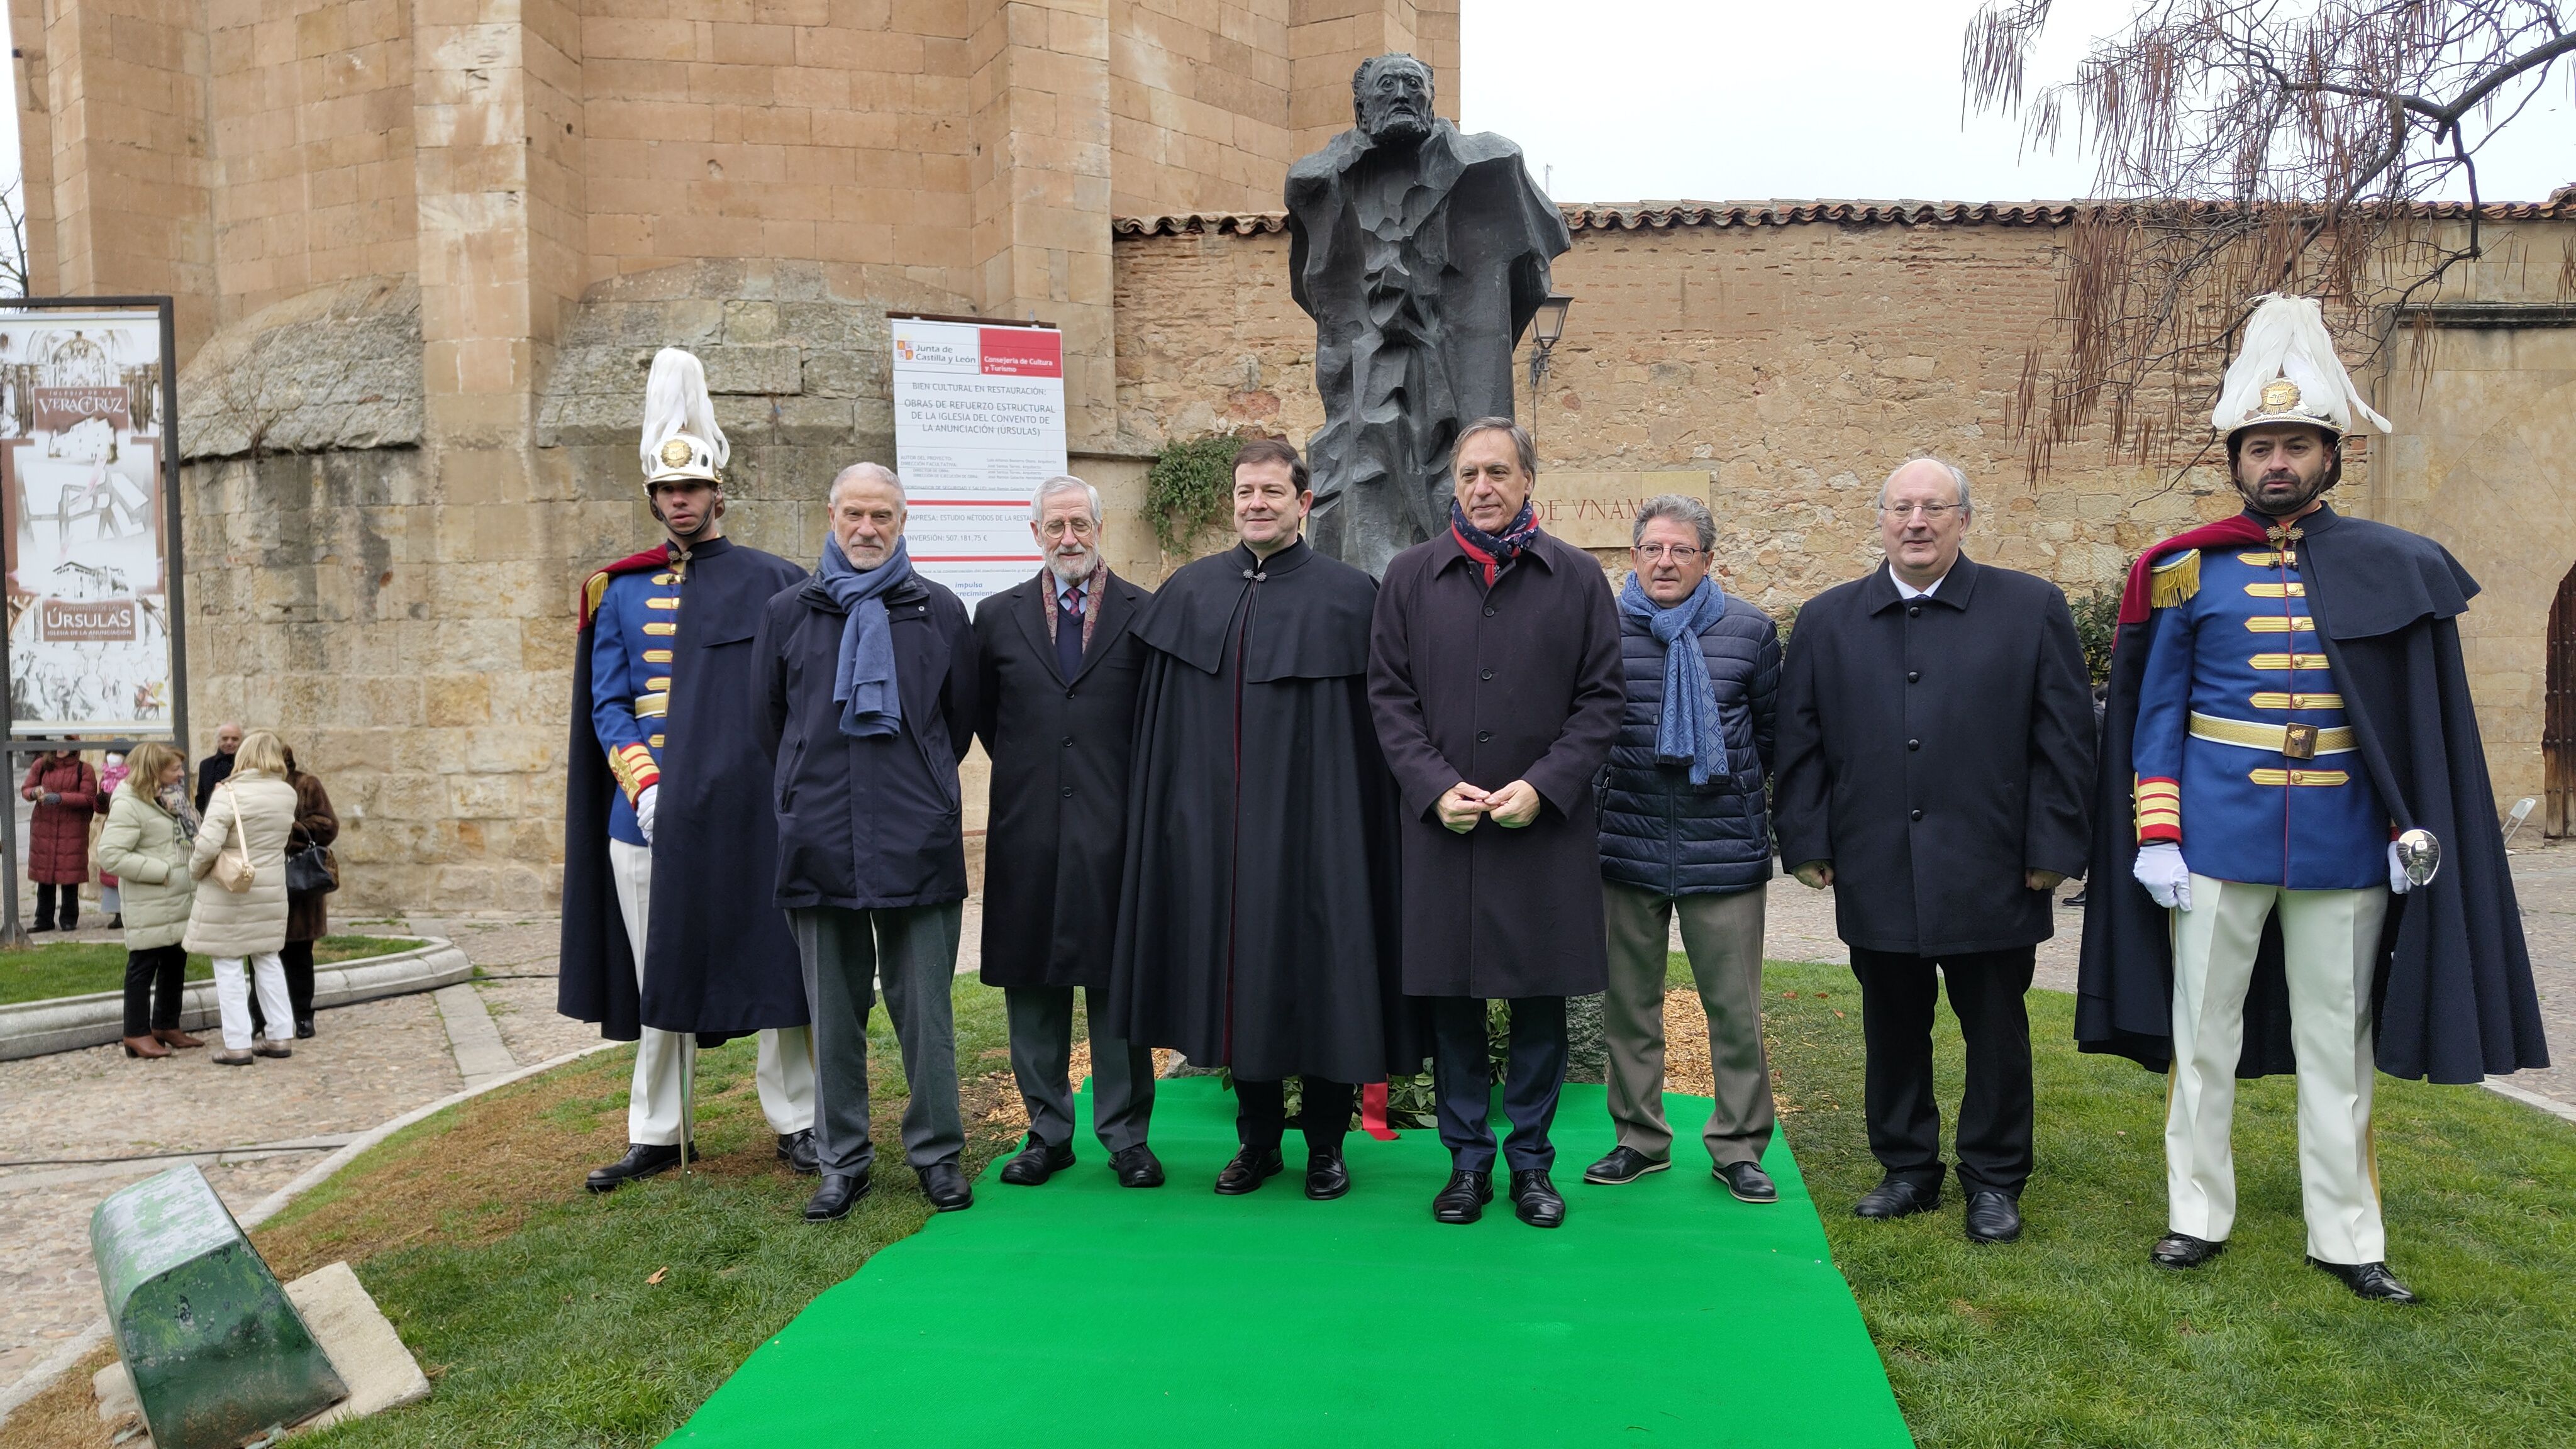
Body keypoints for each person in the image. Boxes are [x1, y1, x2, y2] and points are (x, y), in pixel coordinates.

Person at [2078, 294, 2549, 1303]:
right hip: (2211, 838)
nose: (2277, 463)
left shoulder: (2399, 566)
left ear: (2333, 455)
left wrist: (2400, 823)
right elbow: (2155, 714)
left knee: (2340, 1046)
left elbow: (2417, 725)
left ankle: (2348, 1236)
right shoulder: (2181, 570)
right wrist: (2156, 832)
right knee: (2201, 1041)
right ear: (2235, 458)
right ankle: (2195, 1214)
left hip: (2342, 841)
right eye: (2261, 447)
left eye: (2297, 444)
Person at [1774, 458, 2093, 1245]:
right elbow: (1801, 743)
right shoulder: (1826, 619)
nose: (1916, 523)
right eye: (1901, 509)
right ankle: (1908, 1168)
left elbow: (2066, 741)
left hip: (1994, 866)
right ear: (1880, 520)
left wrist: (2053, 848)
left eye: (1934, 509)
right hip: (1874, 860)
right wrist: (1808, 841)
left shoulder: (2030, 608)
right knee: (1890, 1024)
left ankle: (1993, 1178)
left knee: (1994, 1029)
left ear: (1963, 520)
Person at [1112, 436, 1416, 1201]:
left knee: (1326, 979)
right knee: (1236, 979)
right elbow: (1163, 734)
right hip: (1220, 839)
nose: (1256, 503)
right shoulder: (1188, 594)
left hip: (1323, 837)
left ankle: (1323, 1147)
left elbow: (1376, 733)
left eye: (1272, 492)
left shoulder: (1350, 597)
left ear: (1304, 503)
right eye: (1246, 491)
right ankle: (1256, 1145)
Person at [560, 347, 818, 1195]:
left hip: (747, 811)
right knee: (654, 974)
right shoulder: (618, 591)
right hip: (647, 816)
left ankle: (798, 1119)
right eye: (668, 491)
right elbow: (608, 705)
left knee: (780, 965)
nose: (681, 501)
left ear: (717, 493)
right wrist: (647, 784)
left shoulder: (776, 582)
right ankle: (659, 1132)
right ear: (653, 497)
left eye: (695, 488)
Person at [1368, 417, 1624, 1230]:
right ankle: (1467, 1163)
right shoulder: (1410, 578)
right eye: (1471, 473)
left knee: (1540, 1003)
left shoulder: (1577, 578)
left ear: (1526, 482)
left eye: (1499, 473)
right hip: (1444, 832)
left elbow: (1601, 701)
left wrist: (1545, 788)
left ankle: (1533, 1167)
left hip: (1539, 831)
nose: (1483, 487)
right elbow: (1389, 698)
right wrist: (1432, 786)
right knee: (1454, 1005)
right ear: (1454, 483)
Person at [758, 462, 979, 1222]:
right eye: (854, 513)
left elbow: (957, 722)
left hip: (916, 839)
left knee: (926, 1014)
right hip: (819, 837)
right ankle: (841, 1159)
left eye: (882, 515)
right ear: (830, 513)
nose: (866, 529)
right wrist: (799, 790)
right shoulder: (788, 613)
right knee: (834, 1013)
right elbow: (771, 723)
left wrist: (922, 786)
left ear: (902, 521)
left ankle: (937, 1155)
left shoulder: (939, 611)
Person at [1285, 53, 1570, 577]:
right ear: (1360, 105)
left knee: (1453, 478)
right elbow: (1317, 288)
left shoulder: (1491, 167)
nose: (1401, 94)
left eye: (1413, 85)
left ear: (1432, 98)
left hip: (1453, 363)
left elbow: (1528, 276)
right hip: (1366, 375)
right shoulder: (1320, 181)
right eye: (1386, 85)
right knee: (1367, 474)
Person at [1586, 493, 1784, 1203]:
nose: (1664, 561)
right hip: (1624, 845)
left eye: (1681, 550)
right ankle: (1638, 1139)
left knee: (1734, 1011)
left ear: (1707, 559)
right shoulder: (1600, 628)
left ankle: (1737, 1147)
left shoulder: (1751, 631)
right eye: (1652, 549)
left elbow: (1770, 738)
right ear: (1633, 556)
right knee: (1628, 1007)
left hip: (1722, 850)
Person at [972, 475, 1163, 1189]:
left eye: (1079, 524)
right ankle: (1046, 1134)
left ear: (1100, 527)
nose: (1068, 538)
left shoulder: (1144, 613)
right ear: (1035, 534)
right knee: (1032, 987)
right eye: (1054, 527)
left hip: (1116, 833)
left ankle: (1126, 1139)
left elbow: (1153, 722)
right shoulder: (995, 617)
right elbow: (990, 719)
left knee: (1117, 989)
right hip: (1028, 833)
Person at [186, 730, 299, 1067]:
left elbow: (207, 845)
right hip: (270, 886)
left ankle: (237, 1043)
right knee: (267, 958)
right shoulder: (287, 793)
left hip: (230, 888)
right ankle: (280, 1035)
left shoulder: (229, 794)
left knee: (228, 963)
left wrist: (195, 871)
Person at [94, 742, 201, 1058]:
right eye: (175, 769)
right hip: (151, 899)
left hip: (177, 899)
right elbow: (110, 856)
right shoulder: (129, 803)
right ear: (155, 771)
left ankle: (166, 1025)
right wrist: (163, 871)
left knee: (174, 963)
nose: (182, 773)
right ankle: (136, 1033)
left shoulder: (172, 799)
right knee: (142, 967)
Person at [248, 745, 335, 1041]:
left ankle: (303, 1015)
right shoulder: (250, 788)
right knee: (260, 955)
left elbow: (328, 825)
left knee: (299, 957)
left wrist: (292, 828)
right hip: (261, 881)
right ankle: (258, 1016)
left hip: (298, 886)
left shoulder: (306, 784)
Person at [21, 744, 97, 932]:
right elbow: (26, 789)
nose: (60, 748)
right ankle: (43, 919)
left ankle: (69, 919)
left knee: (69, 877)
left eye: (66, 744)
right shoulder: (41, 765)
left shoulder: (84, 769)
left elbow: (89, 798)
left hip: (73, 829)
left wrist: (60, 798)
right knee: (44, 878)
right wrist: (33, 793)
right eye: (57, 743)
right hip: (44, 828)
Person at [97, 751, 128, 928]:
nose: (113, 757)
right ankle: (117, 913)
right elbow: (100, 808)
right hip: (111, 824)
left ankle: (128, 911)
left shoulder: (133, 776)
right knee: (111, 870)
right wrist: (101, 798)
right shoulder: (106, 777)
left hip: (128, 823)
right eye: (110, 753)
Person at [194, 721, 243, 813]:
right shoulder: (206, 765)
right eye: (225, 739)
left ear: (242, 741)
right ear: (218, 740)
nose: (229, 742)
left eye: (235, 739)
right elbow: (201, 799)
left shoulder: (247, 765)